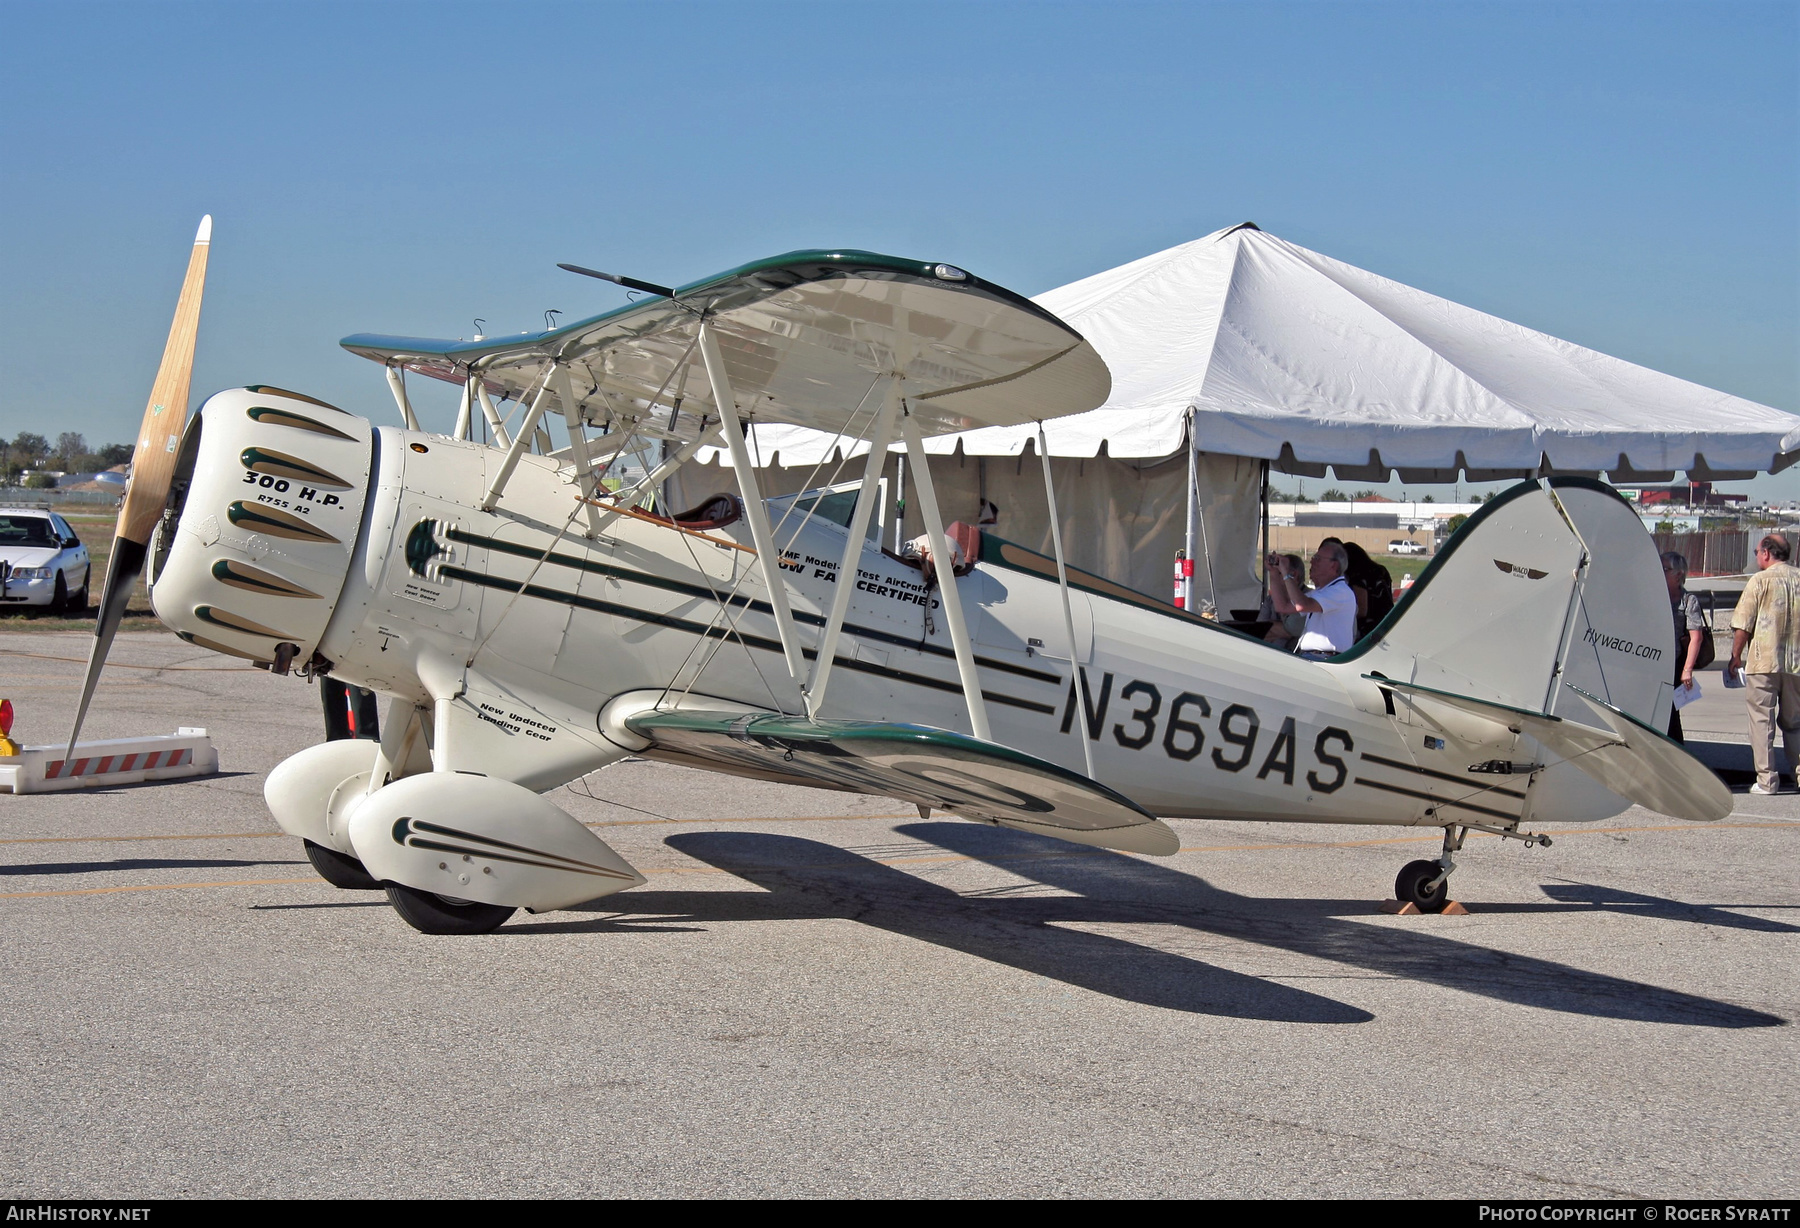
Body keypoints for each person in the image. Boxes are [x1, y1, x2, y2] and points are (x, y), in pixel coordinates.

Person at [1729, 534, 1800, 794]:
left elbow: (1743, 624)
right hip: (1796, 664)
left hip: (1764, 661)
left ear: (1767, 553)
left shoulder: (1759, 581)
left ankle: (1767, 780)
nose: (1756, 555)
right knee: (1795, 723)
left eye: (1757, 551)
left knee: (1761, 721)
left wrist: (1736, 656)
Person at [1266, 541, 1356, 660]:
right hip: (1313, 657)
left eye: (1317, 558)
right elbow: (1282, 606)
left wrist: (1286, 573)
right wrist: (1273, 573)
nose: (1312, 561)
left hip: (1325, 658)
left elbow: (1301, 605)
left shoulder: (1340, 591)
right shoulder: (1321, 592)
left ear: (1333, 565)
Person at [1664, 551, 1707, 743]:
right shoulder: (1652, 596)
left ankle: (1675, 754)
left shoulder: (1688, 601)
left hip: (1672, 664)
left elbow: (1696, 637)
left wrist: (1687, 670)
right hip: (1649, 660)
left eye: (1665, 569)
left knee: (1671, 714)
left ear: (1678, 574)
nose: (1660, 572)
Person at [1339, 540, 1395, 639]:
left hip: (1369, 629)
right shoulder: (1381, 571)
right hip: (1387, 621)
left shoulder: (1358, 576)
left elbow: (1361, 610)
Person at [1258, 553, 1307, 649]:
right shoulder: (1270, 600)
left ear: (1294, 575)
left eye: (1278, 572)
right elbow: (1259, 630)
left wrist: (1272, 628)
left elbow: (1293, 629)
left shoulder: (1307, 598)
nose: (1273, 577)